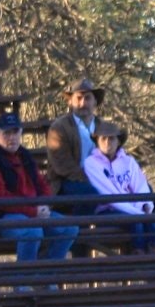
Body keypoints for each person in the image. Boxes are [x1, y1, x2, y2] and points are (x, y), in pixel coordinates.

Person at [0, 111, 79, 265]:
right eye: (6, 133)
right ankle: (22, 282)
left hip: (31, 212)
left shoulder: (24, 156)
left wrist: (44, 204)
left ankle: (46, 273)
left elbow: (42, 184)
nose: (12, 137)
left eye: (15, 132)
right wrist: (33, 211)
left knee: (70, 228)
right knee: (32, 231)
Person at [82, 121, 155, 254]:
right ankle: (139, 258)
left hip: (132, 209)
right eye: (103, 138)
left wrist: (145, 205)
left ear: (118, 141)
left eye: (112, 138)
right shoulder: (91, 164)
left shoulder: (128, 161)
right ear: (97, 141)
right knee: (136, 223)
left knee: (151, 222)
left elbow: (140, 186)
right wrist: (137, 213)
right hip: (105, 211)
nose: (107, 142)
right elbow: (108, 193)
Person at [45, 78, 111, 215]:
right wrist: (92, 179)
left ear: (95, 102)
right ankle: (80, 231)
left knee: (146, 193)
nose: (83, 103)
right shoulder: (59, 127)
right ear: (70, 101)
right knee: (90, 194)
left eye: (87, 98)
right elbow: (63, 167)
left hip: (100, 179)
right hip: (66, 183)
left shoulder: (104, 128)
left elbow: (114, 158)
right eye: (78, 98)